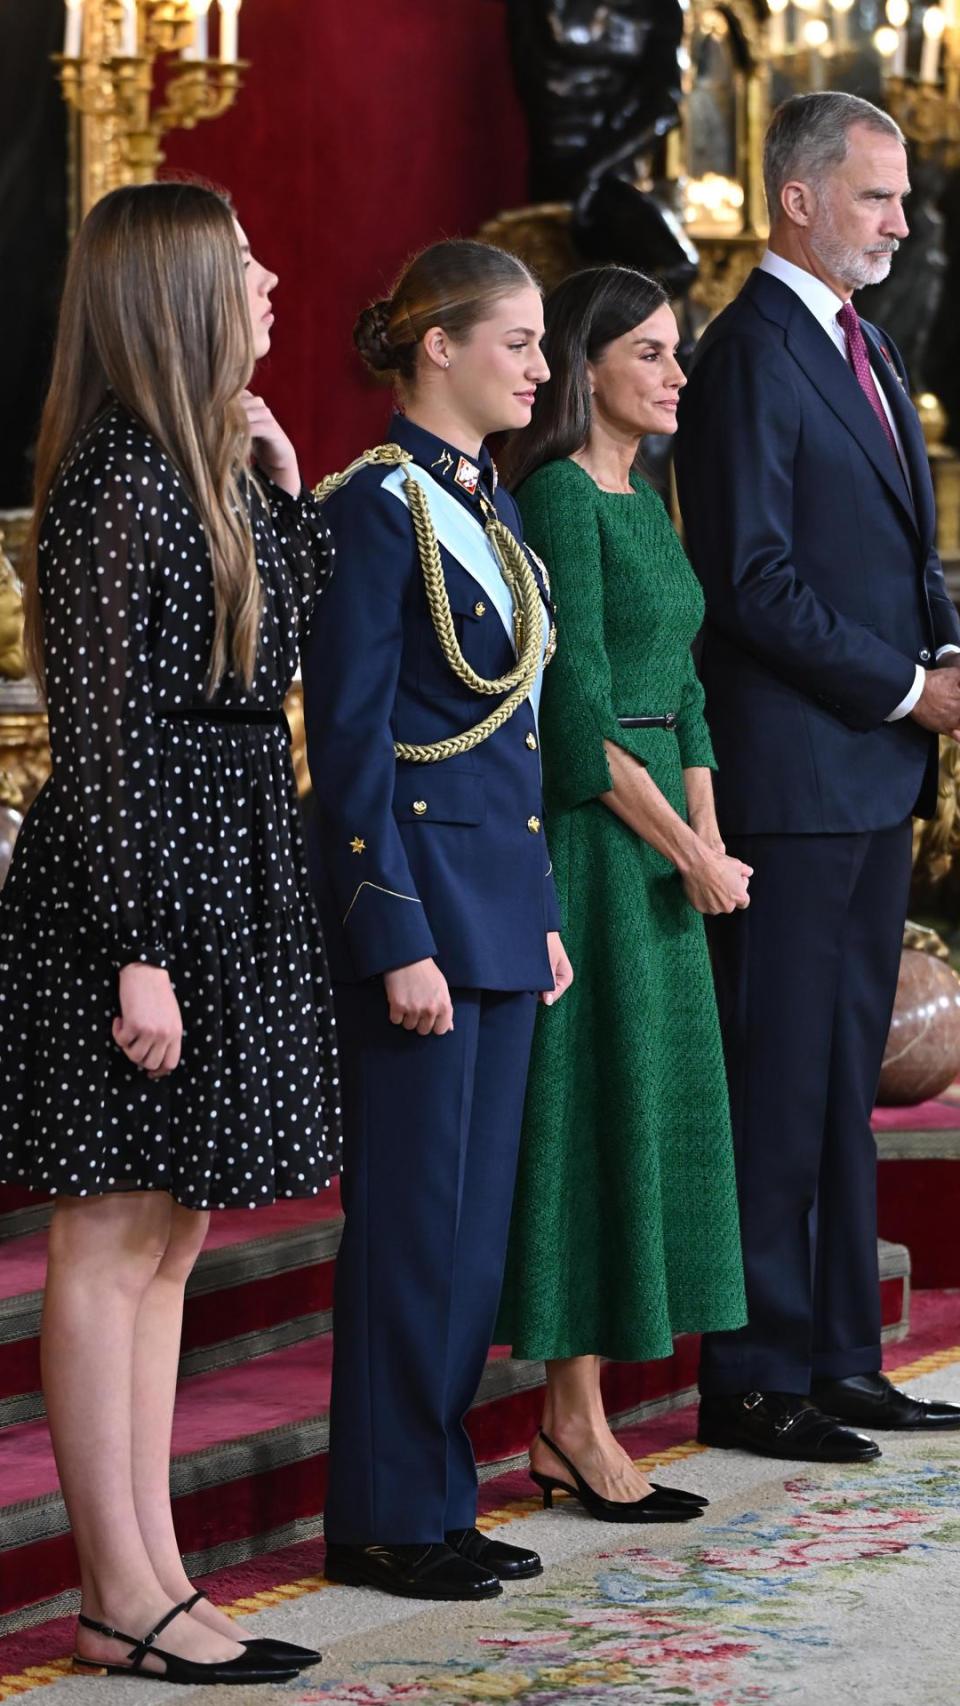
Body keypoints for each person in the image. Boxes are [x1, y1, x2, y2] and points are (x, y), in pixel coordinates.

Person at [0, 182, 339, 1681]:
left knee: (174, 1236)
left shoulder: (197, 466)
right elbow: (104, 734)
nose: (270, 278)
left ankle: (155, 1572)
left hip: (229, 863)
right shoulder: (110, 485)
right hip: (134, 891)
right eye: (245, 262)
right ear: (181, 292)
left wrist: (284, 480)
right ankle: (115, 1584)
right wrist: (137, 945)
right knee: (112, 1232)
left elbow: (298, 644)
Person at [674, 91, 960, 1460]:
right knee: (781, 1076)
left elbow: (904, 554)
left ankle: (845, 1351)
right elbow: (752, 581)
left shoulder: (864, 345)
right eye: (877, 196)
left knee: (844, 1076)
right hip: (791, 780)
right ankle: (754, 1373)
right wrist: (910, 685)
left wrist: (946, 644)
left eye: (901, 199)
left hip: (871, 772)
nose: (903, 220)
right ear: (798, 198)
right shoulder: (747, 355)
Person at [302, 239, 572, 1601]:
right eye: (516, 340)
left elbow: (506, 737)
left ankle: (436, 1491)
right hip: (420, 911)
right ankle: (384, 1512)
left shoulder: (495, 511)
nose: (539, 365)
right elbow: (347, 749)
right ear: (437, 347)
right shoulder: (371, 508)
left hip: (498, 908)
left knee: (469, 1230)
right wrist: (389, 927)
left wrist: (538, 914)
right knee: (412, 1222)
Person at [495, 265, 749, 1520]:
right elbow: (582, 723)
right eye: (648, 352)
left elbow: (685, 692)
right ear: (587, 367)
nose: (674, 373)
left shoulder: (646, 497)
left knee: (649, 1110)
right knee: (594, 1108)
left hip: (664, 856)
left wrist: (707, 837)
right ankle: (571, 1421)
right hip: (598, 850)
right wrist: (683, 849)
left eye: (675, 352)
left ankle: (580, 1416)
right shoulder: (554, 495)